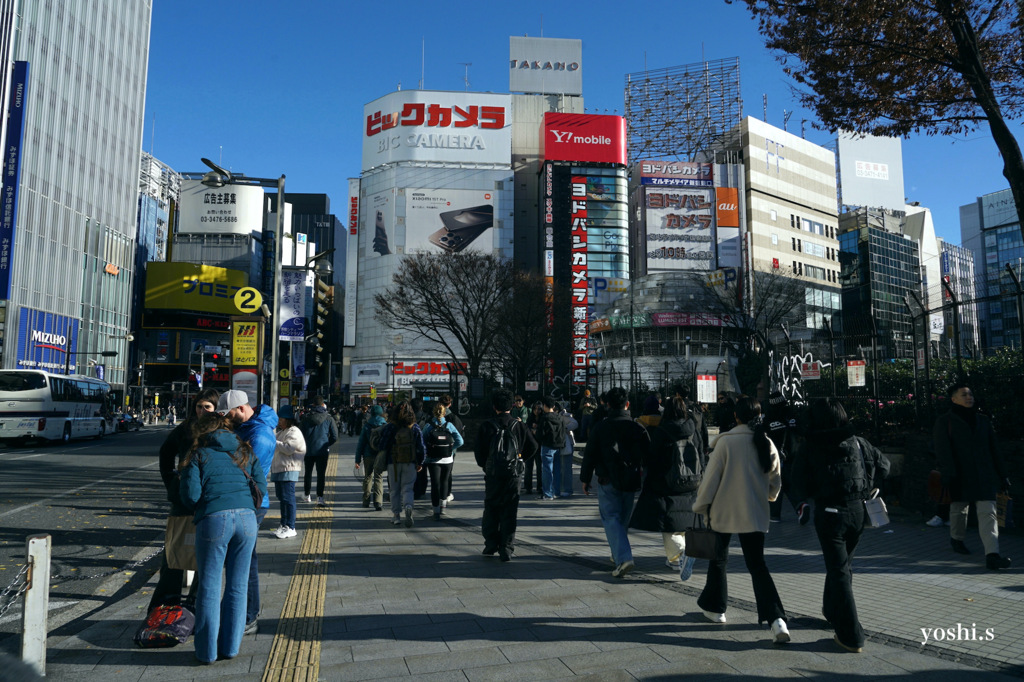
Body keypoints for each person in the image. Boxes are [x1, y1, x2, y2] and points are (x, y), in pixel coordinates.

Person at [792, 397, 890, 654]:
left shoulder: (811, 445)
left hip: (829, 512)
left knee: (838, 571)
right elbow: (884, 465)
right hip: (858, 511)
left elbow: (797, 480)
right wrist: (869, 484)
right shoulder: (858, 442)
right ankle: (833, 611)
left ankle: (850, 635)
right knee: (843, 565)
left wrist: (807, 499)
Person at [692, 396, 790, 644]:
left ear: (735, 417)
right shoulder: (765, 442)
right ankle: (777, 620)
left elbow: (710, 481)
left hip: (723, 512)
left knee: (718, 560)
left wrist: (700, 506)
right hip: (754, 513)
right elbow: (775, 480)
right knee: (757, 566)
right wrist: (768, 496)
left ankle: (716, 609)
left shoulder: (725, 443)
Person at [179, 412, 266, 664]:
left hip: (214, 519)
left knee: (209, 585)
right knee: (238, 586)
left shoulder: (198, 455)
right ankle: (230, 648)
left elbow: (192, 496)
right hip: (247, 519)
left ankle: (206, 652)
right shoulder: (245, 451)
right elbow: (260, 484)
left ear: (201, 432)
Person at [150, 388, 220, 611]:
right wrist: (171, 481)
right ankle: (164, 606)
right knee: (174, 552)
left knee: (205, 554)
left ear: (216, 409)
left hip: (208, 498)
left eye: (207, 407)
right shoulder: (186, 427)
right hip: (183, 498)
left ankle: (195, 605)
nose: (202, 411)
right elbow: (166, 453)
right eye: (199, 406)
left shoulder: (221, 429)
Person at [217, 390, 277, 636]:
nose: (226, 419)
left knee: (244, 562)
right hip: (245, 501)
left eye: (228, 414)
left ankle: (249, 615)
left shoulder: (259, 435)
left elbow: (242, 470)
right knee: (241, 560)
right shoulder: (250, 428)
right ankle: (240, 611)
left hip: (250, 504)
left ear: (241, 409)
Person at [933, 383, 1012, 570]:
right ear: (954, 399)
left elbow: (994, 450)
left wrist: (1003, 475)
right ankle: (957, 539)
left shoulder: (983, 421)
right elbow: (942, 450)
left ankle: (992, 555)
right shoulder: (945, 421)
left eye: (970, 394)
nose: (969, 397)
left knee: (988, 514)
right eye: (964, 394)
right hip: (958, 474)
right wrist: (948, 473)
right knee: (959, 509)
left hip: (984, 475)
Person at [629, 396, 703, 581]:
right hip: (692, 481)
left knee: (669, 524)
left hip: (667, 483)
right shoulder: (694, 430)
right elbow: (701, 454)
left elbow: (653, 459)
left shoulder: (662, 431)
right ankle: (674, 560)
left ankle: (681, 553)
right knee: (684, 521)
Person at [580, 386, 651, 578]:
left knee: (611, 517)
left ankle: (622, 557)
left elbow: (590, 455)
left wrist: (585, 479)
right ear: (627, 404)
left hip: (607, 478)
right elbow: (648, 455)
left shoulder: (601, 427)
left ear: (607, 404)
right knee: (623, 519)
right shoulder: (637, 427)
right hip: (631, 478)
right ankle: (617, 553)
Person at [474, 388, 538, 561]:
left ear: (494, 406)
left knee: (491, 507)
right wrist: (520, 460)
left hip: (493, 474)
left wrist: (485, 465)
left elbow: (479, 451)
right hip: (513, 475)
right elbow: (533, 446)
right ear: (511, 405)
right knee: (509, 510)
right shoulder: (519, 426)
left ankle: (490, 543)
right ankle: (506, 547)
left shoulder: (487, 425)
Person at [377, 400, 426, 527]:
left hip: (393, 463)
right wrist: (420, 462)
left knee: (394, 490)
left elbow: (382, 445)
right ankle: (408, 506)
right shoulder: (414, 427)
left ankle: (396, 516)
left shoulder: (391, 427)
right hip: (410, 462)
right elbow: (421, 447)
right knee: (408, 488)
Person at [764, 392, 809, 524]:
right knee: (789, 483)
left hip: (777, 456)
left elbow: (765, 437)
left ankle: (775, 514)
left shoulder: (770, 418)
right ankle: (800, 505)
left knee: (776, 482)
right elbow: (803, 431)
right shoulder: (793, 415)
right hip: (795, 455)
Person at [421, 403, 464, 520]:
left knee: (435, 484)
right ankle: (443, 508)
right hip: (447, 458)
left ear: (433, 412)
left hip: (432, 459)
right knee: (444, 481)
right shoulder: (449, 425)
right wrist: (450, 448)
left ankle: (435, 511)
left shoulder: (429, 425)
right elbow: (460, 441)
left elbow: (422, 442)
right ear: (445, 413)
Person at [270, 405, 306, 539]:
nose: (279, 421)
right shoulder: (282, 432)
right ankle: (284, 524)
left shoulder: (294, 431)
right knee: (282, 498)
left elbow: (289, 448)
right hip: (280, 469)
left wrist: (274, 441)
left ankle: (291, 526)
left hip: (289, 468)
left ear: (288, 419)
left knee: (288, 498)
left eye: (281, 418)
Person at [300, 395, 339, 507]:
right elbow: (335, 436)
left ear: (313, 405)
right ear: (323, 405)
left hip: (308, 450)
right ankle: (320, 498)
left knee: (308, 472)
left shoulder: (306, 417)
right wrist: (326, 443)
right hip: (322, 450)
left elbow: (300, 434)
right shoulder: (329, 418)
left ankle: (307, 495)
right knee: (321, 474)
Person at [355, 404, 388, 510]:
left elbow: (361, 443)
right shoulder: (385, 425)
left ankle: (366, 500)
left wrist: (357, 460)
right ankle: (378, 502)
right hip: (380, 455)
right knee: (378, 477)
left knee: (368, 477)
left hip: (368, 455)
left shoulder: (367, 425)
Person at [536, 396, 567, 499]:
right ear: (554, 406)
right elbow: (563, 432)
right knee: (557, 470)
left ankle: (548, 493)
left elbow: (540, 434)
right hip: (558, 446)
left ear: (544, 406)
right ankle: (556, 492)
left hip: (547, 445)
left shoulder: (544, 418)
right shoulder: (560, 417)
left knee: (547, 470)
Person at [523, 400, 545, 495]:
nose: (536, 411)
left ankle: (540, 487)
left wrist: (537, 429)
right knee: (528, 467)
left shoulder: (543, 419)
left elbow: (544, 431)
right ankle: (528, 487)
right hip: (530, 446)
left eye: (539, 409)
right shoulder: (530, 418)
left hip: (539, 446)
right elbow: (526, 430)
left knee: (540, 468)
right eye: (535, 409)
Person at [558, 404, 578, 497]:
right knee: (560, 469)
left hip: (566, 444)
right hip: (559, 444)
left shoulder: (565, 416)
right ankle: (561, 488)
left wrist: (564, 428)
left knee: (566, 468)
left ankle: (567, 489)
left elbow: (575, 424)